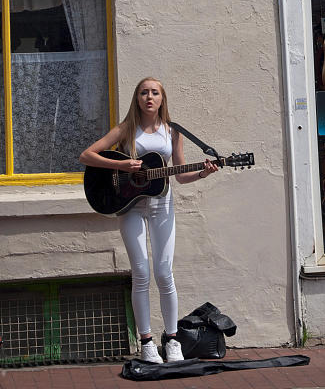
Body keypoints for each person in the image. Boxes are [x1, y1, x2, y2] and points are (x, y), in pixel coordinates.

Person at [80, 77, 220, 363]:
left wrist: (204, 173)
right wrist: (121, 164)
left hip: (161, 206)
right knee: (141, 273)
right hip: (131, 207)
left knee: (163, 273)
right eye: (144, 92)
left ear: (161, 99)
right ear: (137, 98)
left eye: (155, 93)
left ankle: (171, 341)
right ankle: (146, 343)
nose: (149, 97)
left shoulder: (173, 131)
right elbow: (87, 156)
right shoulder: (126, 129)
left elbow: (179, 175)